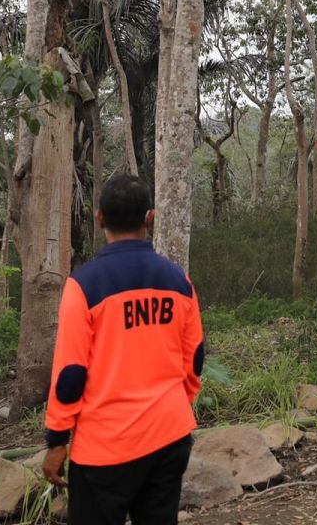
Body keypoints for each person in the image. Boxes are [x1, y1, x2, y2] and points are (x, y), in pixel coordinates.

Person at [41, 174, 205, 525]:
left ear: (99, 218)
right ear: (151, 217)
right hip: (170, 436)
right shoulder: (178, 280)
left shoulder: (83, 285)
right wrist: (175, 403)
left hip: (105, 448)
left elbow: (70, 373)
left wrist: (57, 440)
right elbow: (195, 357)